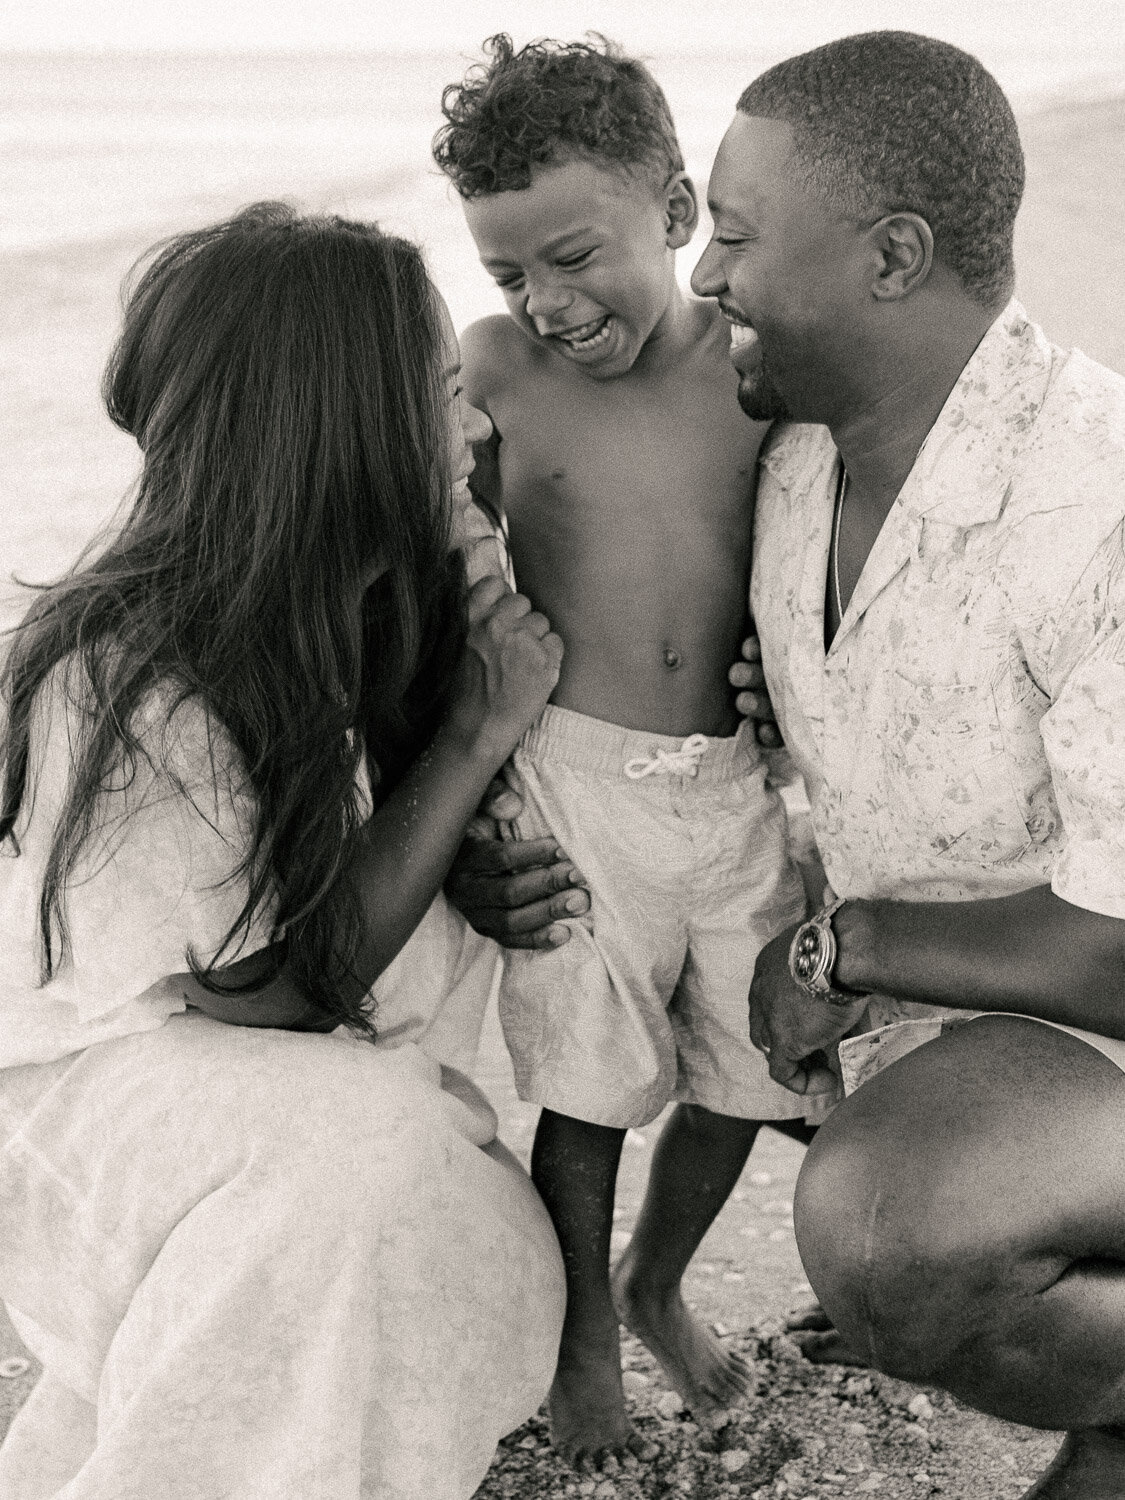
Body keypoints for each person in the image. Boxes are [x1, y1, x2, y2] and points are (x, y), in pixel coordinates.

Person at [451, 30, 1125, 1499]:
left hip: (1078, 1022)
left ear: (889, 257)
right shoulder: (801, 449)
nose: (701, 279)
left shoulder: (1097, 501)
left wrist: (849, 945)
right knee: (731, 1135)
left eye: (737, 239)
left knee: (869, 1204)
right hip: (913, 1008)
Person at [0, 202, 569, 1500]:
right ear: (344, 423)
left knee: (457, 1221)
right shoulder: (130, 674)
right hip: (88, 1115)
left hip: (226, 1096)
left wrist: (449, 860)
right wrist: (477, 736)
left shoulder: (354, 609)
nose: (476, 427)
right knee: (367, 1161)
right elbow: (272, 995)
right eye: (439, 396)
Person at [432, 35, 824, 1467]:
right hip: (570, 783)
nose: (546, 301)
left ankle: (653, 1282)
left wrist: (791, 689)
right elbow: (436, 569)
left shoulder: (758, 370)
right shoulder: (489, 374)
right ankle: (579, 1338)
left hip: (730, 792)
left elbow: (816, 554)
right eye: (508, 275)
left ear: (673, 211)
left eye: (572, 255)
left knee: (747, 1067)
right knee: (586, 1090)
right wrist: (462, 798)